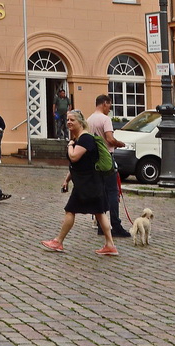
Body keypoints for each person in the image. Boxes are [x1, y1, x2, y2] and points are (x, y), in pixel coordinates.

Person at [41, 110, 118, 256]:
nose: (69, 122)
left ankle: (58, 242)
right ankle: (110, 245)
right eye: (68, 119)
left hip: (87, 183)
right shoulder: (81, 139)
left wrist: (70, 145)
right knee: (99, 212)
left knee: (71, 209)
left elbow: (75, 157)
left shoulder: (84, 139)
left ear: (80, 122)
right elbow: (77, 165)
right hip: (90, 181)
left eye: (72, 120)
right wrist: (67, 179)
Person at [88, 94, 131, 238]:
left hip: (95, 160)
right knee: (113, 193)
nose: (109, 109)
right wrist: (120, 143)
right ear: (104, 103)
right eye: (109, 106)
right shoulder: (105, 119)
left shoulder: (89, 120)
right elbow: (110, 139)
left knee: (101, 193)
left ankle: (101, 225)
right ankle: (116, 225)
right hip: (107, 157)